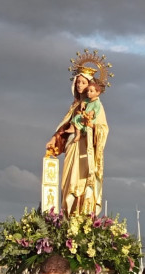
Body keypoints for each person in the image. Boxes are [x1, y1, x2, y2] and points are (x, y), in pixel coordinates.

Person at [47, 68, 109, 216]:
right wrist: (54, 139)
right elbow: (65, 127)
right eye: (78, 83)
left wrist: (91, 126)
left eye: (83, 83)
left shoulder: (96, 105)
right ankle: (67, 214)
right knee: (68, 181)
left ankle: (82, 215)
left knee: (81, 180)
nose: (79, 86)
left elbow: (103, 128)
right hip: (73, 145)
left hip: (86, 147)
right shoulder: (75, 106)